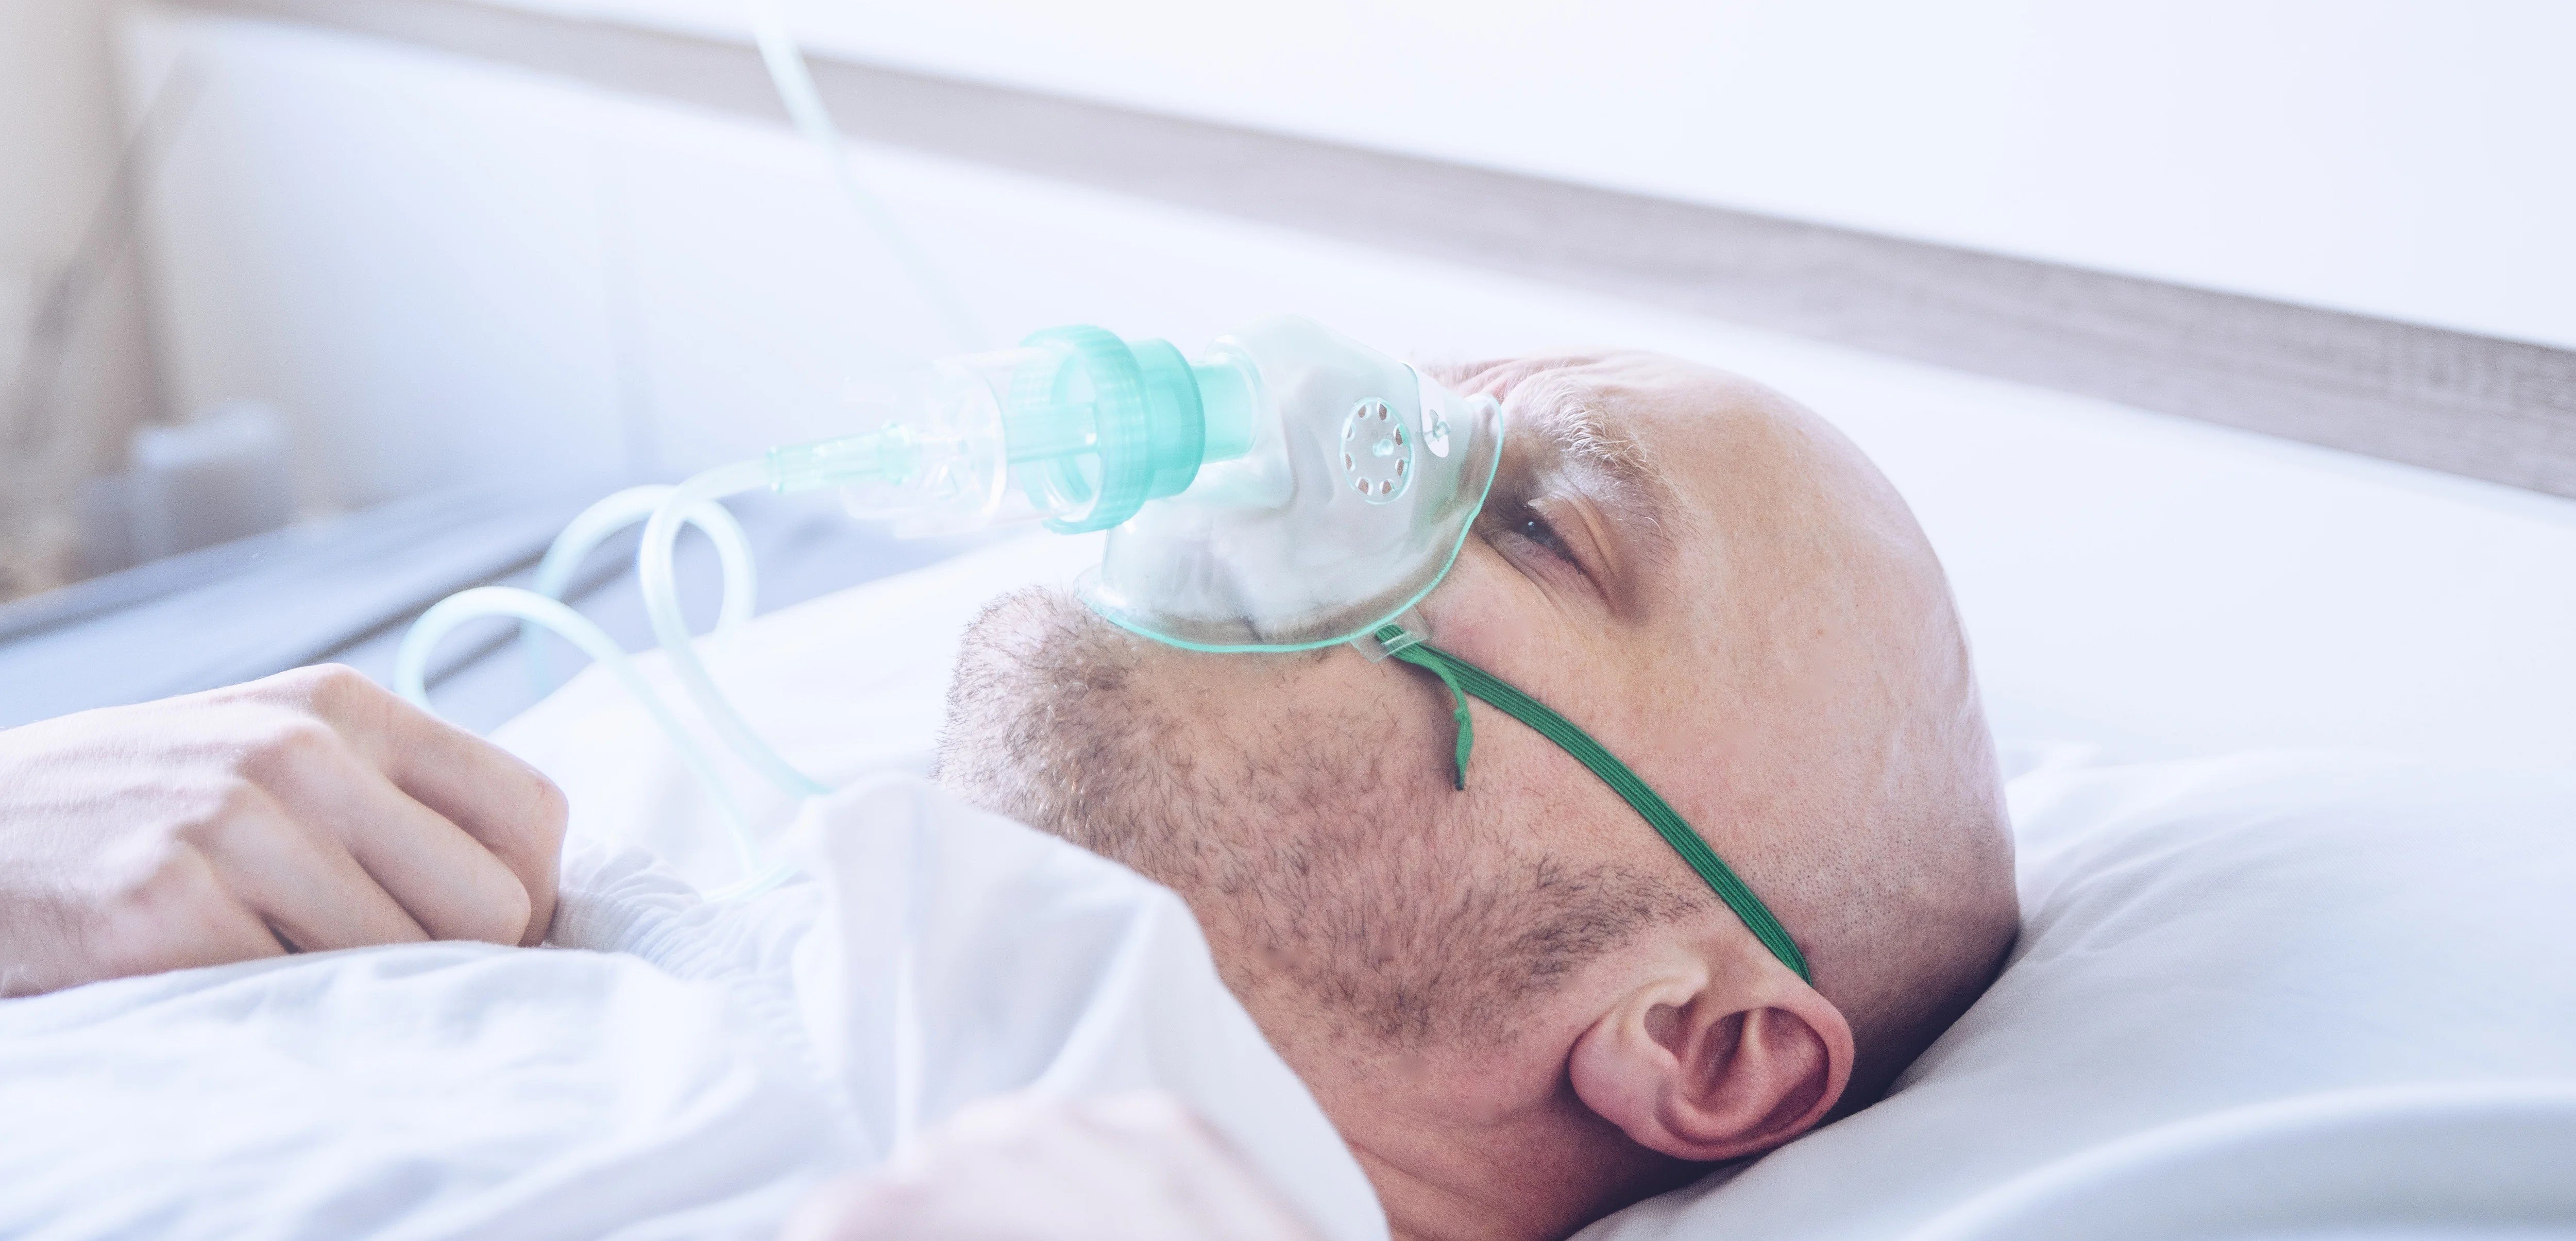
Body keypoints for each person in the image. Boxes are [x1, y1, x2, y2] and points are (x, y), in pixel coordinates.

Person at [0, 349, 2018, 1241]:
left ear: (1702, 1042)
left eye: (1536, 524)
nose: (1298, 431)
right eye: (1411, 412)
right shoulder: (496, 870)